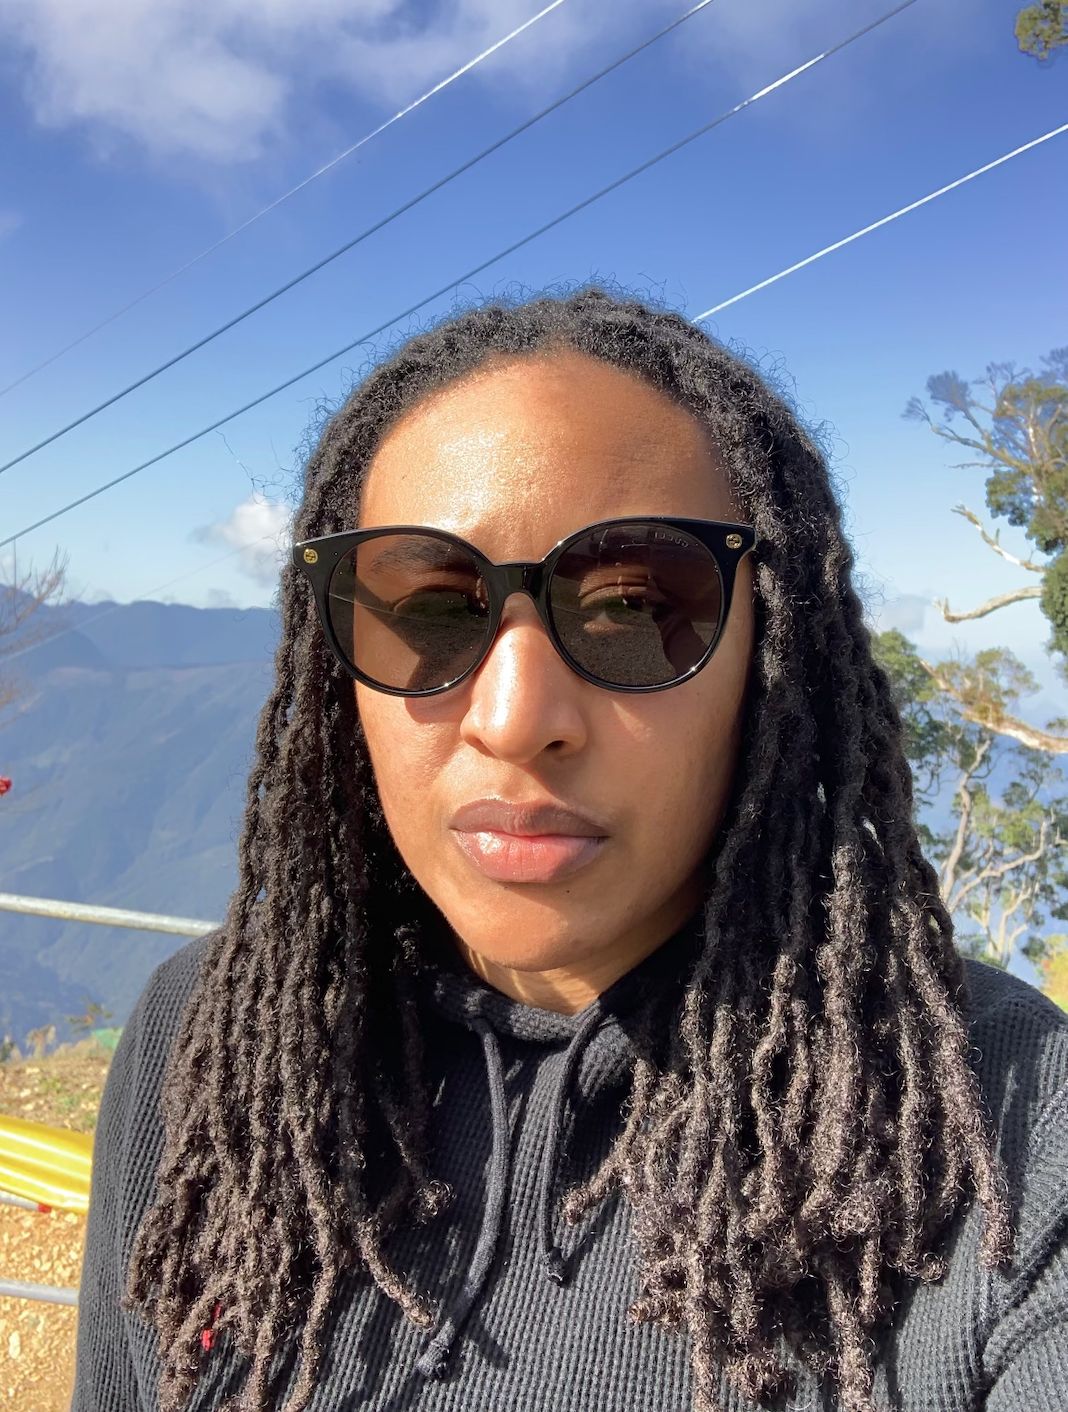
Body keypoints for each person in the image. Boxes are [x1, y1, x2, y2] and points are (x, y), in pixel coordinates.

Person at [73, 290, 1068, 1412]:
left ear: (773, 656)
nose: (515, 715)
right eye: (432, 605)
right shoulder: (205, 1040)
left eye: (636, 605)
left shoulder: (1014, 1131)